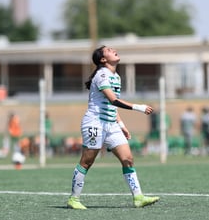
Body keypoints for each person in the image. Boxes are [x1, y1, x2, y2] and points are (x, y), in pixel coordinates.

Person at [67, 45, 160, 209]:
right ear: (103, 59)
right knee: (87, 162)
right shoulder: (102, 74)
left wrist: (121, 125)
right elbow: (113, 100)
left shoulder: (116, 76)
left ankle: (138, 197)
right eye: (108, 50)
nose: (113, 50)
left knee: (128, 159)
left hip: (111, 125)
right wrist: (138, 107)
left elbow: (112, 107)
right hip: (95, 123)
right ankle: (74, 199)